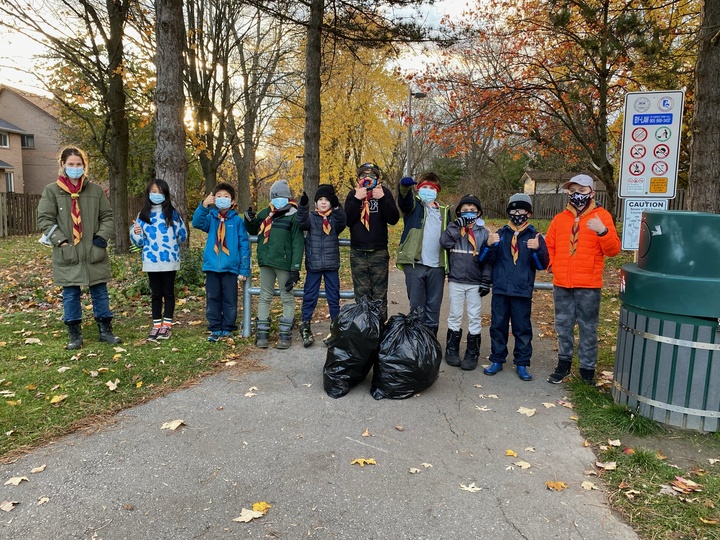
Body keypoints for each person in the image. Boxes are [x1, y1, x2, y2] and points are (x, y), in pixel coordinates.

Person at [37, 146, 122, 349]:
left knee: (100, 291)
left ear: (84, 166)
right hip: (68, 251)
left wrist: (101, 239)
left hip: (93, 250)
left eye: (79, 164)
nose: (75, 168)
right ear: (63, 165)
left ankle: (105, 330)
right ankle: (74, 334)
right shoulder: (52, 191)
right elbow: (45, 219)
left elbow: (107, 217)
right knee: (71, 293)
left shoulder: (95, 191)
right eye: (71, 164)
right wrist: (62, 242)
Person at [545, 174, 621, 384]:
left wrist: (603, 232)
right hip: (562, 283)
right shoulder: (560, 218)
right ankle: (564, 365)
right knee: (563, 326)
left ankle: (587, 370)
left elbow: (613, 250)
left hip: (588, 284)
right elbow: (549, 245)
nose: (577, 195)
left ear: (592, 193)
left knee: (588, 328)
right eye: (573, 191)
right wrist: (552, 265)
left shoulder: (602, 216)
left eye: (582, 191)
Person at [478, 194, 549, 381]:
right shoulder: (500, 234)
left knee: (522, 328)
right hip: (501, 289)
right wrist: (489, 245)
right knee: (498, 326)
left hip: (522, 290)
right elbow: (484, 260)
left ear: (529, 213)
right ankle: (497, 359)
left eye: (521, 211)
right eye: (514, 210)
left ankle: (522, 363)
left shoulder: (535, 236)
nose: (517, 214)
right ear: (509, 212)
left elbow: (542, 265)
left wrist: (538, 250)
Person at [245, 179, 304, 349]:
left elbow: (297, 243)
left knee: (287, 297)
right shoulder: (266, 213)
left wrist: (295, 268)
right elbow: (254, 229)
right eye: (275, 197)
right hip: (266, 261)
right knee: (265, 296)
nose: (278, 200)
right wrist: (249, 220)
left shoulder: (293, 215)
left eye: (282, 197)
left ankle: (285, 334)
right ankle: (262, 333)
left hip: (284, 263)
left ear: (288, 198)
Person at [130, 179, 188, 341]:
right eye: (153, 192)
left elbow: (182, 236)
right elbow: (138, 242)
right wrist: (136, 232)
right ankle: (156, 325)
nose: (157, 195)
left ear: (166, 194)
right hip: (151, 261)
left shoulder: (172, 213)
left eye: (160, 192)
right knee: (156, 294)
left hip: (169, 260)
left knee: (168, 292)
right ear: (148, 194)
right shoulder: (143, 214)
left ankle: (166, 325)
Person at [192, 182, 250, 342]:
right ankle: (215, 327)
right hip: (212, 267)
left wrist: (244, 269)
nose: (222, 199)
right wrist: (204, 205)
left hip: (230, 268)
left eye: (226, 197)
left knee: (230, 299)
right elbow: (197, 222)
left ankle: (228, 327)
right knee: (213, 298)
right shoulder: (210, 218)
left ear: (232, 201)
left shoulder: (237, 221)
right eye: (218, 196)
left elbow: (244, 245)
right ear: (214, 200)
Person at [439, 194, 491, 370]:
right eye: (465, 210)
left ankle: (472, 352)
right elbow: (444, 243)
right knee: (454, 314)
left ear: (479, 213)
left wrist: (486, 279)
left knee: (474, 316)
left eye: (472, 210)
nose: (469, 213)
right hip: (456, 279)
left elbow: (488, 258)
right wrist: (456, 228)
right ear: (459, 212)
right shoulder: (453, 227)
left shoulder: (483, 233)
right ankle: (451, 349)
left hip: (475, 281)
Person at [397, 172, 452, 336]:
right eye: (424, 187)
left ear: (437, 191)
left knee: (433, 306)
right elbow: (404, 202)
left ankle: (430, 341)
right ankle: (415, 341)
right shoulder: (414, 206)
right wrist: (404, 188)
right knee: (417, 307)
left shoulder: (445, 211)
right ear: (418, 190)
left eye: (431, 188)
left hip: (437, 266)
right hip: (415, 264)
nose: (427, 190)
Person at [344, 163, 400, 322]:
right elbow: (347, 220)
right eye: (363, 175)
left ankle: (379, 330)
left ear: (378, 178)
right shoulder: (352, 195)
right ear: (358, 179)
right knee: (362, 297)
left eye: (372, 176)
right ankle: (364, 332)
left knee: (379, 297)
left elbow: (394, 219)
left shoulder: (384, 193)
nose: (367, 178)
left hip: (379, 253)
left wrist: (382, 199)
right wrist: (356, 199)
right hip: (358, 253)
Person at [296, 184, 347, 347]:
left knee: (333, 296)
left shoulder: (334, 218)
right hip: (314, 264)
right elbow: (301, 222)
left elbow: (342, 221)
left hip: (331, 265)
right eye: (320, 200)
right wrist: (303, 206)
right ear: (316, 203)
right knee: (310, 295)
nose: (323, 203)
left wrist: (338, 206)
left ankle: (335, 327)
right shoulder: (311, 217)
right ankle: (305, 326)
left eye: (326, 200)